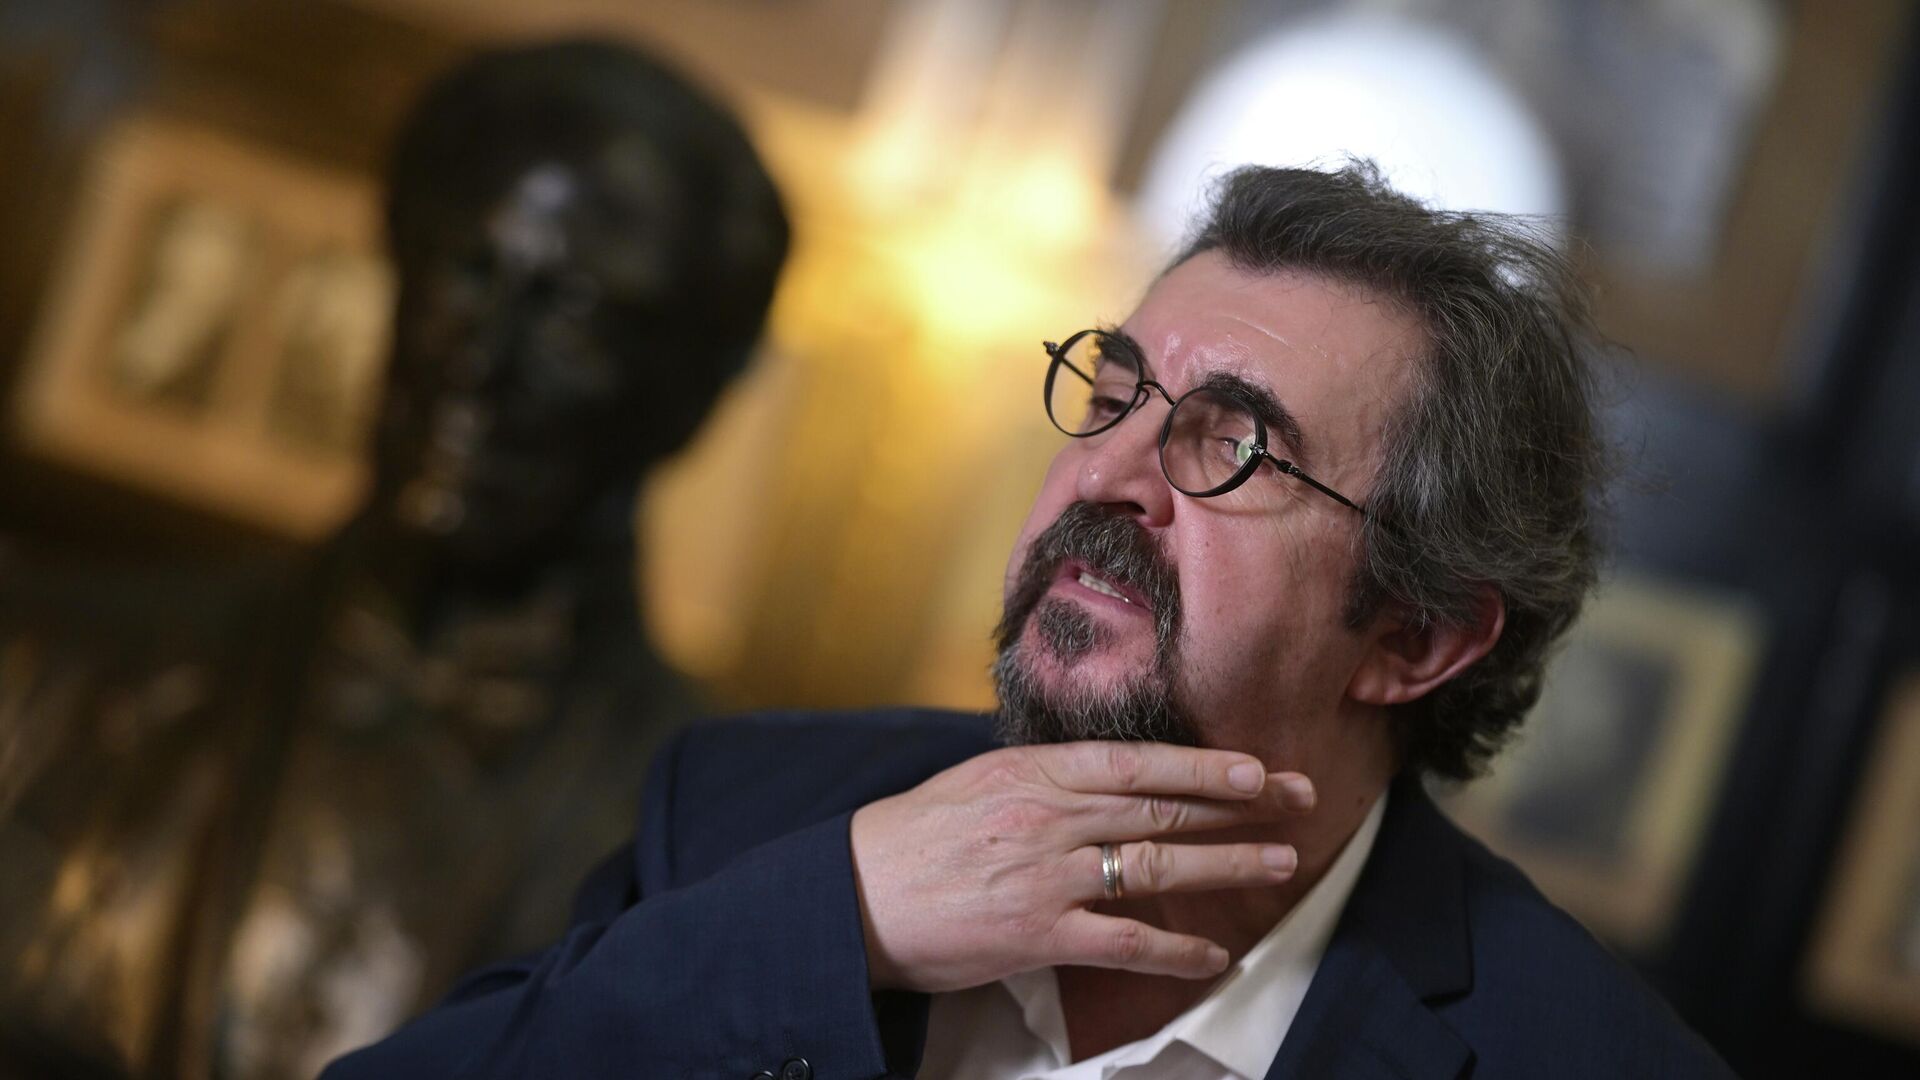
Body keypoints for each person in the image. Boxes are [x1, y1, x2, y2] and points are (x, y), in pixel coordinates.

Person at [323, 163, 1736, 1079]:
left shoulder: (1588, 1063)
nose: (1107, 475)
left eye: (1233, 446)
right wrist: (838, 923)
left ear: (1416, 638)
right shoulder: (748, 814)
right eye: (1112, 396)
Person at [214, 40, 789, 1079]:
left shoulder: (728, 854)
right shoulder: (46, 667)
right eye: (466, 272)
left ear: (693, 393)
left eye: (574, 311)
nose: (478, 356)